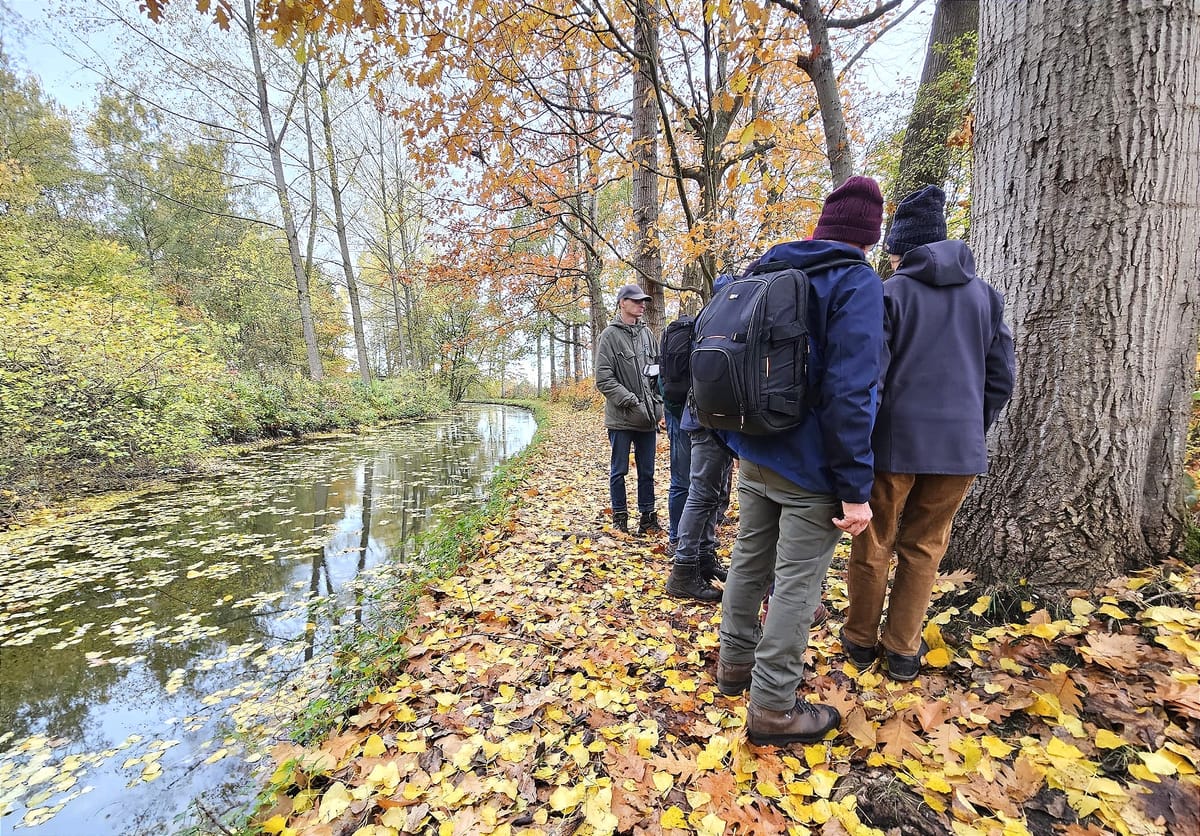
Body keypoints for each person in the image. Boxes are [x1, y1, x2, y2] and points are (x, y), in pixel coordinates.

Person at [716, 175, 885, 746]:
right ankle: (772, 706)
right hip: (811, 465)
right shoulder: (855, 282)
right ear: (869, 239)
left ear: (821, 226)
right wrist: (855, 486)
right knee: (795, 582)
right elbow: (852, 391)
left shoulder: (770, 270)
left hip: (755, 447)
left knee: (748, 560)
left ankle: (734, 666)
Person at [841, 185, 1015, 681]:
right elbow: (1000, 378)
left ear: (899, 250)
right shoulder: (985, 296)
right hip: (959, 450)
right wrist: (969, 428)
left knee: (874, 543)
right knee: (924, 548)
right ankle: (902, 651)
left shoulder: (890, 293)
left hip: (893, 447)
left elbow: (871, 377)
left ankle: (858, 640)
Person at [595, 283, 664, 534]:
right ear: (622, 303)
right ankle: (620, 520)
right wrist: (631, 401)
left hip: (648, 419)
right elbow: (603, 379)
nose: (642, 305)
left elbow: (658, 374)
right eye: (636, 301)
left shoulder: (647, 335)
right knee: (619, 471)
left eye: (643, 301)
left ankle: (647, 518)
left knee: (647, 472)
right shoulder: (609, 336)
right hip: (621, 419)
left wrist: (658, 404)